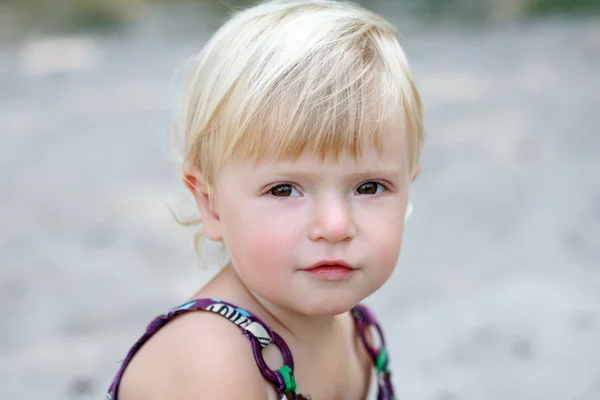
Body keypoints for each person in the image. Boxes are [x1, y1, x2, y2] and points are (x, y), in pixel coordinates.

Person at [106, 0, 423, 398]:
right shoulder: (207, 363)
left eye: (369, 187)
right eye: (284, 189)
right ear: (211, 204)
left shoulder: (355, 329)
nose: (336, 226)